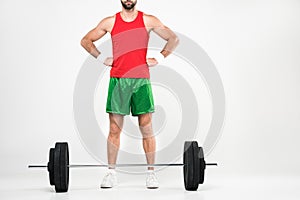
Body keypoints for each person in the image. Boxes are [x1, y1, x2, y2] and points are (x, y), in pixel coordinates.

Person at [81, 0, 179, 189]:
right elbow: (85, 40)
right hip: (118, 80)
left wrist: (158, 57)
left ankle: (151, 173)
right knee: (114, 129)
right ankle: (111, 173)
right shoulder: (110, 22)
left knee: (146, 128)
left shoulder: (148, 20)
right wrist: (102, 58)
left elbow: (173, 39)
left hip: (141, 80)